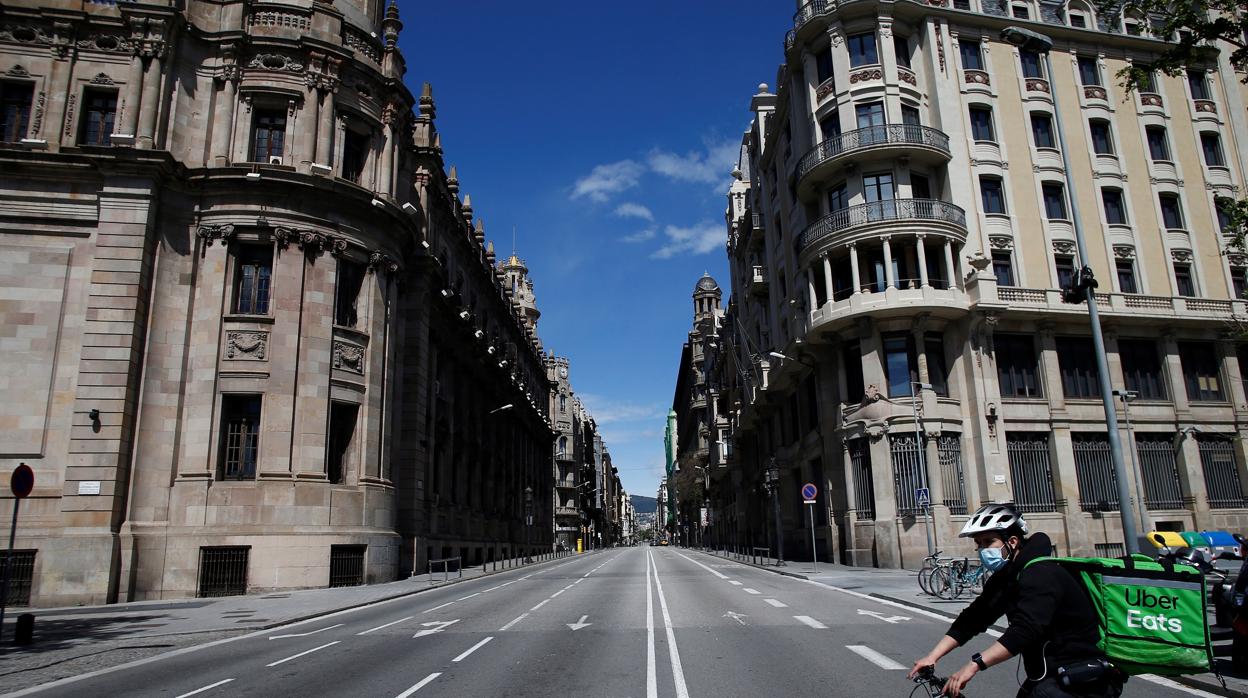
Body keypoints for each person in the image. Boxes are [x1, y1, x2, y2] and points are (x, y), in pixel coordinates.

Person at [909, 503, 1124, 697]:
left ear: (1012, 542)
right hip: (1051, 676)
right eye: (978, 543)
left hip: (1084, 680)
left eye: (988, 541)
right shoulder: (1009, 576)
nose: (982, 549)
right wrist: (932, 656)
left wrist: (974, 665)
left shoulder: (1041, 573)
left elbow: (1025, 630)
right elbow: (973, 619)